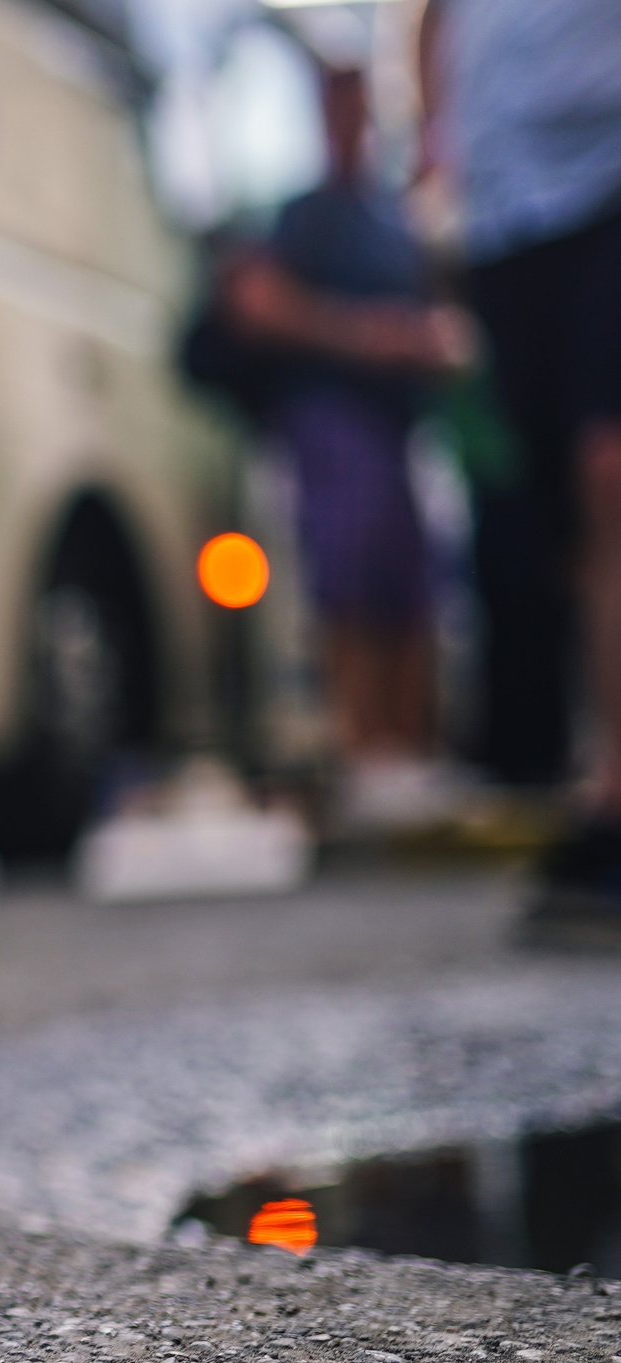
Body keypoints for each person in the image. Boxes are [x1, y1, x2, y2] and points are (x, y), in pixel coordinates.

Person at [220, 64, 472, 831]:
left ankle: (411, 755)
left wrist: (429, 344)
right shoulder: (304, 216)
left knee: (412, 586)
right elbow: (255, 302)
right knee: (351, 576)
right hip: (332, 419)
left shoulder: (393, 219)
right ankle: (363, 753)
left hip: (402, 430)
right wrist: (362, 336)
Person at [419, 0, 621, 941]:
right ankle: (604, 777)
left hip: (608, 169)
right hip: (504, 208)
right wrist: (437, 135)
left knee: (610, 471)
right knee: (563, 532)